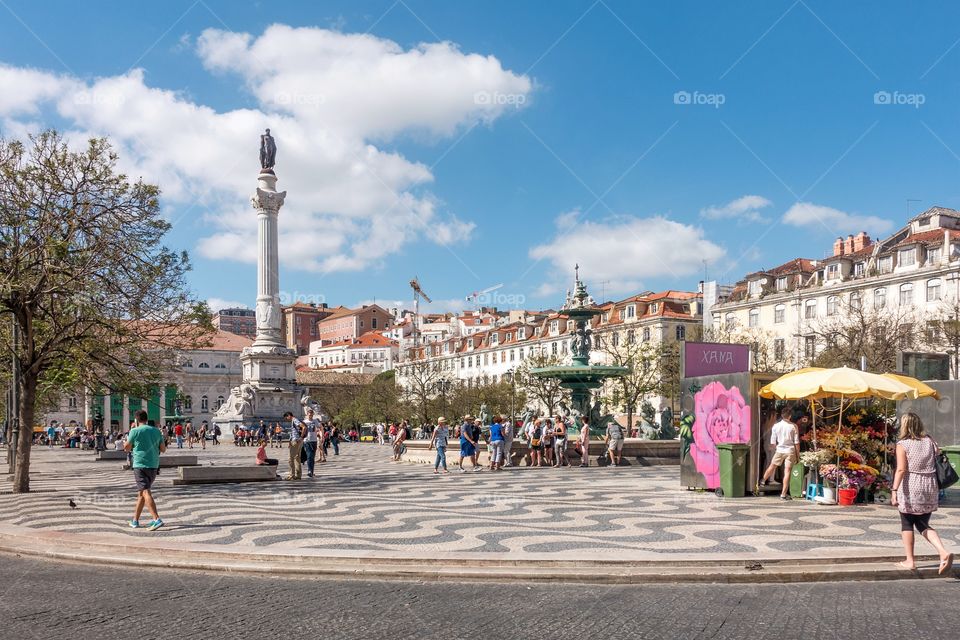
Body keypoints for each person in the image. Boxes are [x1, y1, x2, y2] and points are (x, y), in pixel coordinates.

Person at [891, 412, 954, 574]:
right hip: (930, 485)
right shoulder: (930, 441)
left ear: (904, 426)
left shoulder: (903, 444)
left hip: (911, 485)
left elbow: (901, 469)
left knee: (906, 523)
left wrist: (894, 490)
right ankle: (942, 552)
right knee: (922, 523)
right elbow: (938, 457)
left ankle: (910, 561)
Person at [124, 410, 165, 531]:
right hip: (154, 465)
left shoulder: (134, 431)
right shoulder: (157, 431)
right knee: (141, 493)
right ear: (147, 419)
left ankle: (156, 519)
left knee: (146, 492)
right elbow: (163, 449)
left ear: (136, 420)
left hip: (140, 465)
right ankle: (135, 521)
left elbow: (126, 448)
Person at [761, 407, 799, 500]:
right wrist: (798, 454)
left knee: (772, 466)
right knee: (787, 472)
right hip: (790, 451)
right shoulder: (794, 426)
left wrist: (777, 448)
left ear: (782, 415)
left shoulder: (775, 426)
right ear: (790, 416)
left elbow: (773, 442)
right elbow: (796, 443)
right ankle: (783, 494)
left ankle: (762, 482)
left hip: (779, 450)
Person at [283, 412, 304, 480]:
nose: (287, 419)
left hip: (296, 441)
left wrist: (301, 437)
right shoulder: (294, 420)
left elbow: (303, 427)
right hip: (298, 441)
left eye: (286, 417)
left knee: (291, 458)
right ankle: (298, 475)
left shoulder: (295, 420)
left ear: (289, 416)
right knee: (297, 458)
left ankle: (291, 475)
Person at [302, 409, 320, 478]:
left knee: (312, 457)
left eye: (311, 415)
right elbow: (301, 430)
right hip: (306, 440)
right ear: (307, 415)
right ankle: (309, 471)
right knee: (309, 456)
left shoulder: (315, 421)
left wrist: (319, 433)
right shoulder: (304, 422)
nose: (310, 416)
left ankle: (311, 471)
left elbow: (319, 428)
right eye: (309, 415)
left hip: (314, 440)